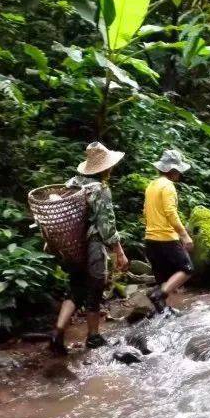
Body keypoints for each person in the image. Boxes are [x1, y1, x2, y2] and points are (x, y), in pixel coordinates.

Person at [50, 142, 128, 354]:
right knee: (95, 287)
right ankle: (93, 336)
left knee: (75, 287)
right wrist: (119, 252)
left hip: (72, 245)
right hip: (92, 245)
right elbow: (106, 227)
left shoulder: (72, 183)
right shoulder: (101, 189)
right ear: (105, 168)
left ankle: (57, 334)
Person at [144, 149, 194, 313]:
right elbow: (170, 212)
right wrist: (184, 235)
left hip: (150, 239)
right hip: (166, 238)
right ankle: (159, 296)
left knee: (162, 279)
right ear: (172, 171)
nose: (179, 174)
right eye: (178, 171)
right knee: (187, 269)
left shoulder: (151, 185)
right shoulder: (168, 186)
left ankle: (162, 313)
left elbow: (145, 212)